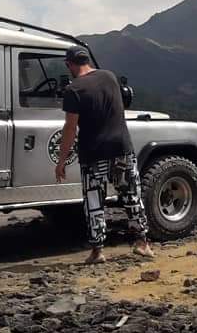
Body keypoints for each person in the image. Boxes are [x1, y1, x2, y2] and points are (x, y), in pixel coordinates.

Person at [55, 46, 153, 264]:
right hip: (121, 149)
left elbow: (70, 128)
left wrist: (62, 161)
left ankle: (98, 252)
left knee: (94, 202)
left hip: (93, 153)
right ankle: (142, 243)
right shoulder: (109, 77)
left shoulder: (73, 90)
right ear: (87, 60)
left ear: (69, 64)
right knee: (131, 196)